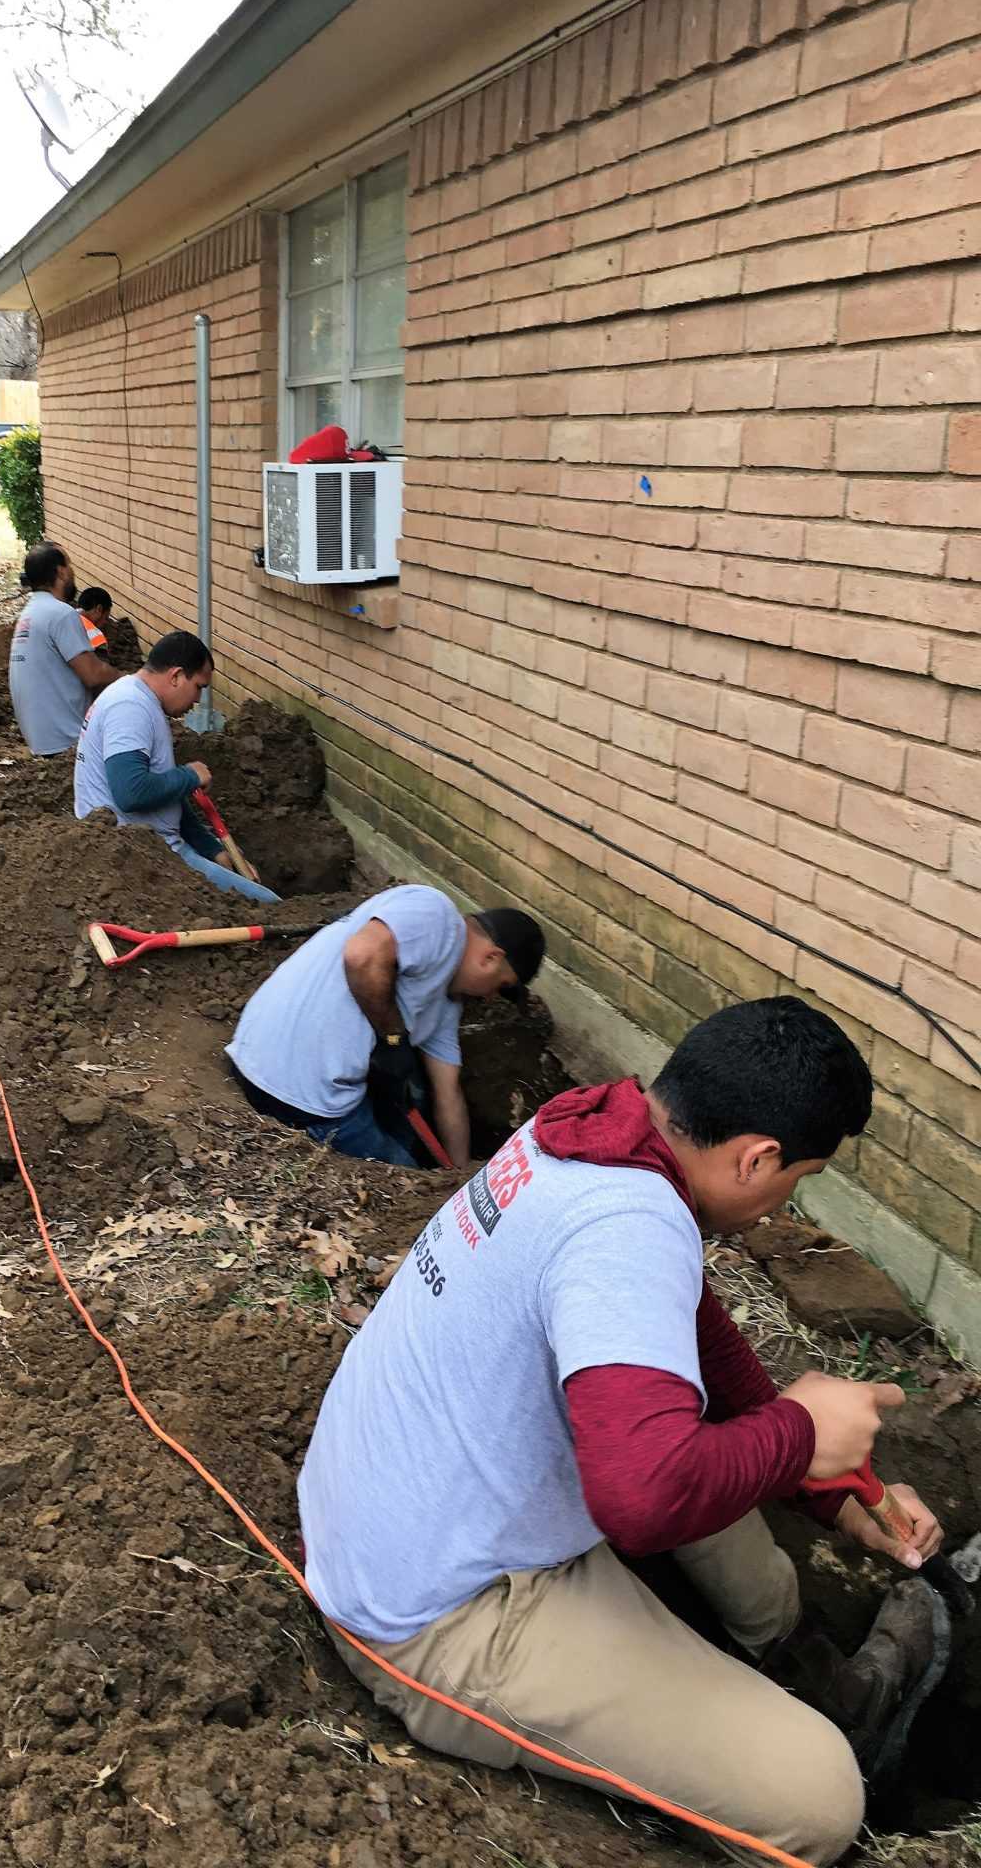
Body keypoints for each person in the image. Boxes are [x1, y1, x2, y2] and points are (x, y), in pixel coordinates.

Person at [298, 998, 946, 1867]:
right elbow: (641, 1498)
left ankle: (802, 1666)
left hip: (413, 1504)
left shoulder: (595, 1128)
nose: (794, 1197)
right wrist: (796, 1432)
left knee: (701, 1447)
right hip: (432, 1615)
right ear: (758, 1156)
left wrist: (828, 1493)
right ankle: (753, 1751)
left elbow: (695, 1342)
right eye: (805, 1176)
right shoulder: (625, 1227)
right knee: (822, 1798)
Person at [227, 887, 543, 1167]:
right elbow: (362, 956)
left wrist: (458, 1177)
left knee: (416, 1092)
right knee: (405, 1176)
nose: (490, 999)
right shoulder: (437, 915)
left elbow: (448, 1096)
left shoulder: (445, 1005)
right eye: (500, 987)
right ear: (490, 958)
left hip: (265, 1063)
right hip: (302, 1095)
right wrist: (393, 1039)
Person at [74, 630, 280, 905]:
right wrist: (189, 775)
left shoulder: (136, 699)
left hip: (151, 848)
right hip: (141, 860)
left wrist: (211, 848)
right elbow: (131, 792)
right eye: (199, 687)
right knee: (270, 906)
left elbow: (160, 795)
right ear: (176, 676)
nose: (197, 700)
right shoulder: (130, 707)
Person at [8, 542, 120, 756]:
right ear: (61, 572)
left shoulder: (30, 612)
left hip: (41, 740)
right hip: (67, 741)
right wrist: (129, 680)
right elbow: (94, 675)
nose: (72, 571)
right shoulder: (60, 614)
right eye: (69, 565)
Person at [76, 586, 113, 659]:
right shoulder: (96, 637)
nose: (105, 623)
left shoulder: (63, 616)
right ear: (99, 609)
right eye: (106, 618)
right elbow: (99, 669)